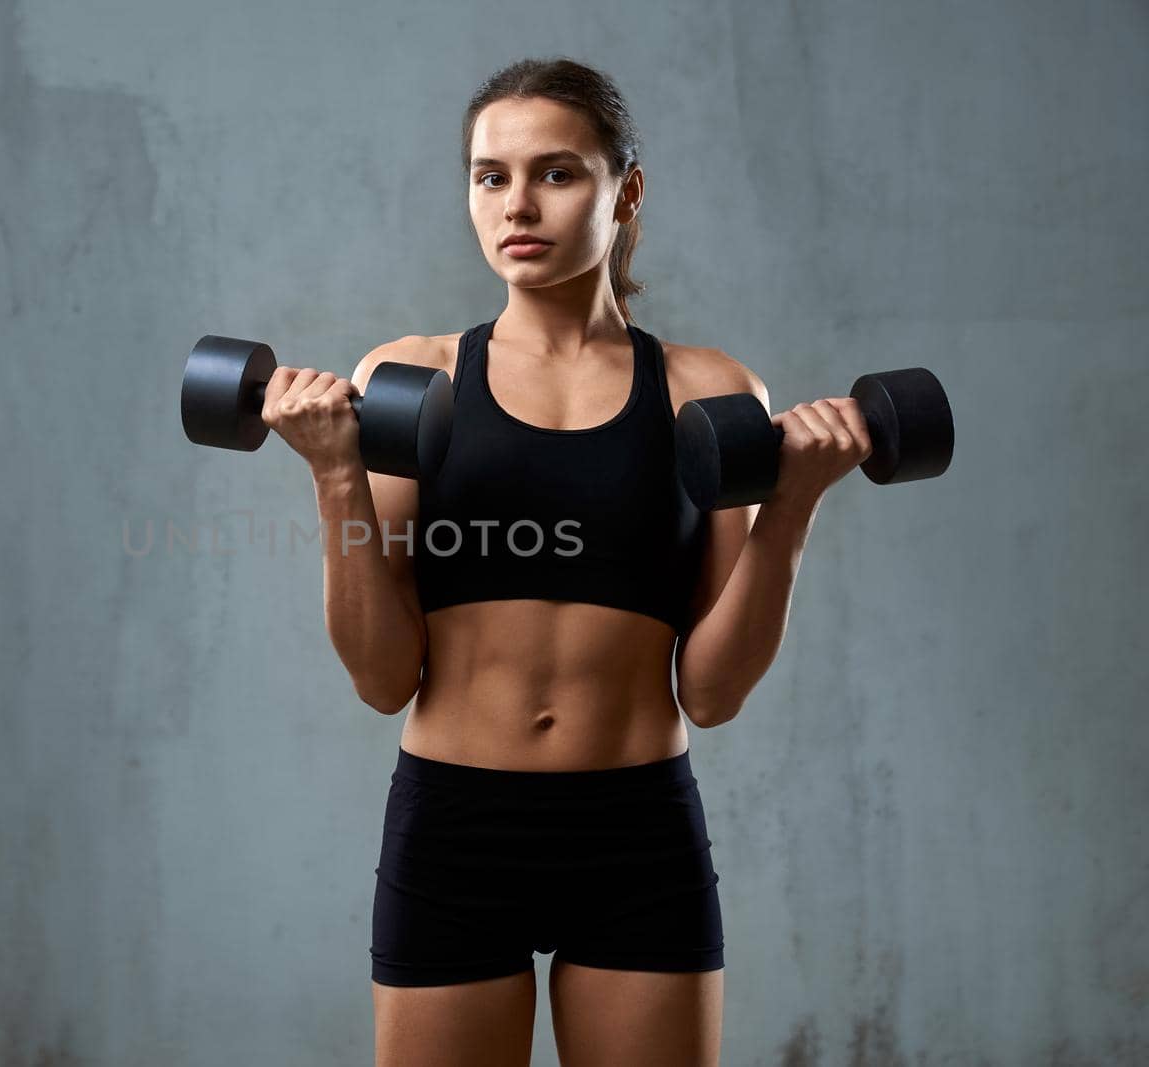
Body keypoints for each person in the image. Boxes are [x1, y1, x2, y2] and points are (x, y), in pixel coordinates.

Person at [259, 57, 873, 1067]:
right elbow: (380, 680)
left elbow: (711, 693)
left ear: (625, 189)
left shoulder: (708, 395)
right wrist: (335, 475)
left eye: (556, 172)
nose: (516, 204)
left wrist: (793, 500)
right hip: (455, 826)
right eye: (489, 175)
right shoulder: (413, 381)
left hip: (635, 831)